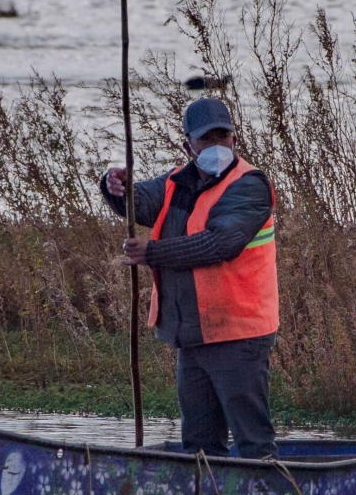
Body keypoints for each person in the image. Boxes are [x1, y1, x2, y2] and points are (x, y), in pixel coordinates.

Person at [101, 96, 279, 458]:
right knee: (199, 444)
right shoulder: (175, 183)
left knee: (253, 443)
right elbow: (138, 203)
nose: (216, 145)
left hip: (238, 333)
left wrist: (152, 254)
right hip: (193, 333)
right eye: (206, 139)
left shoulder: (249, 186)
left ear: (235, 138)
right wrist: (114, 185)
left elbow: (220, 244)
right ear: (188, 145)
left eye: (222, 136)